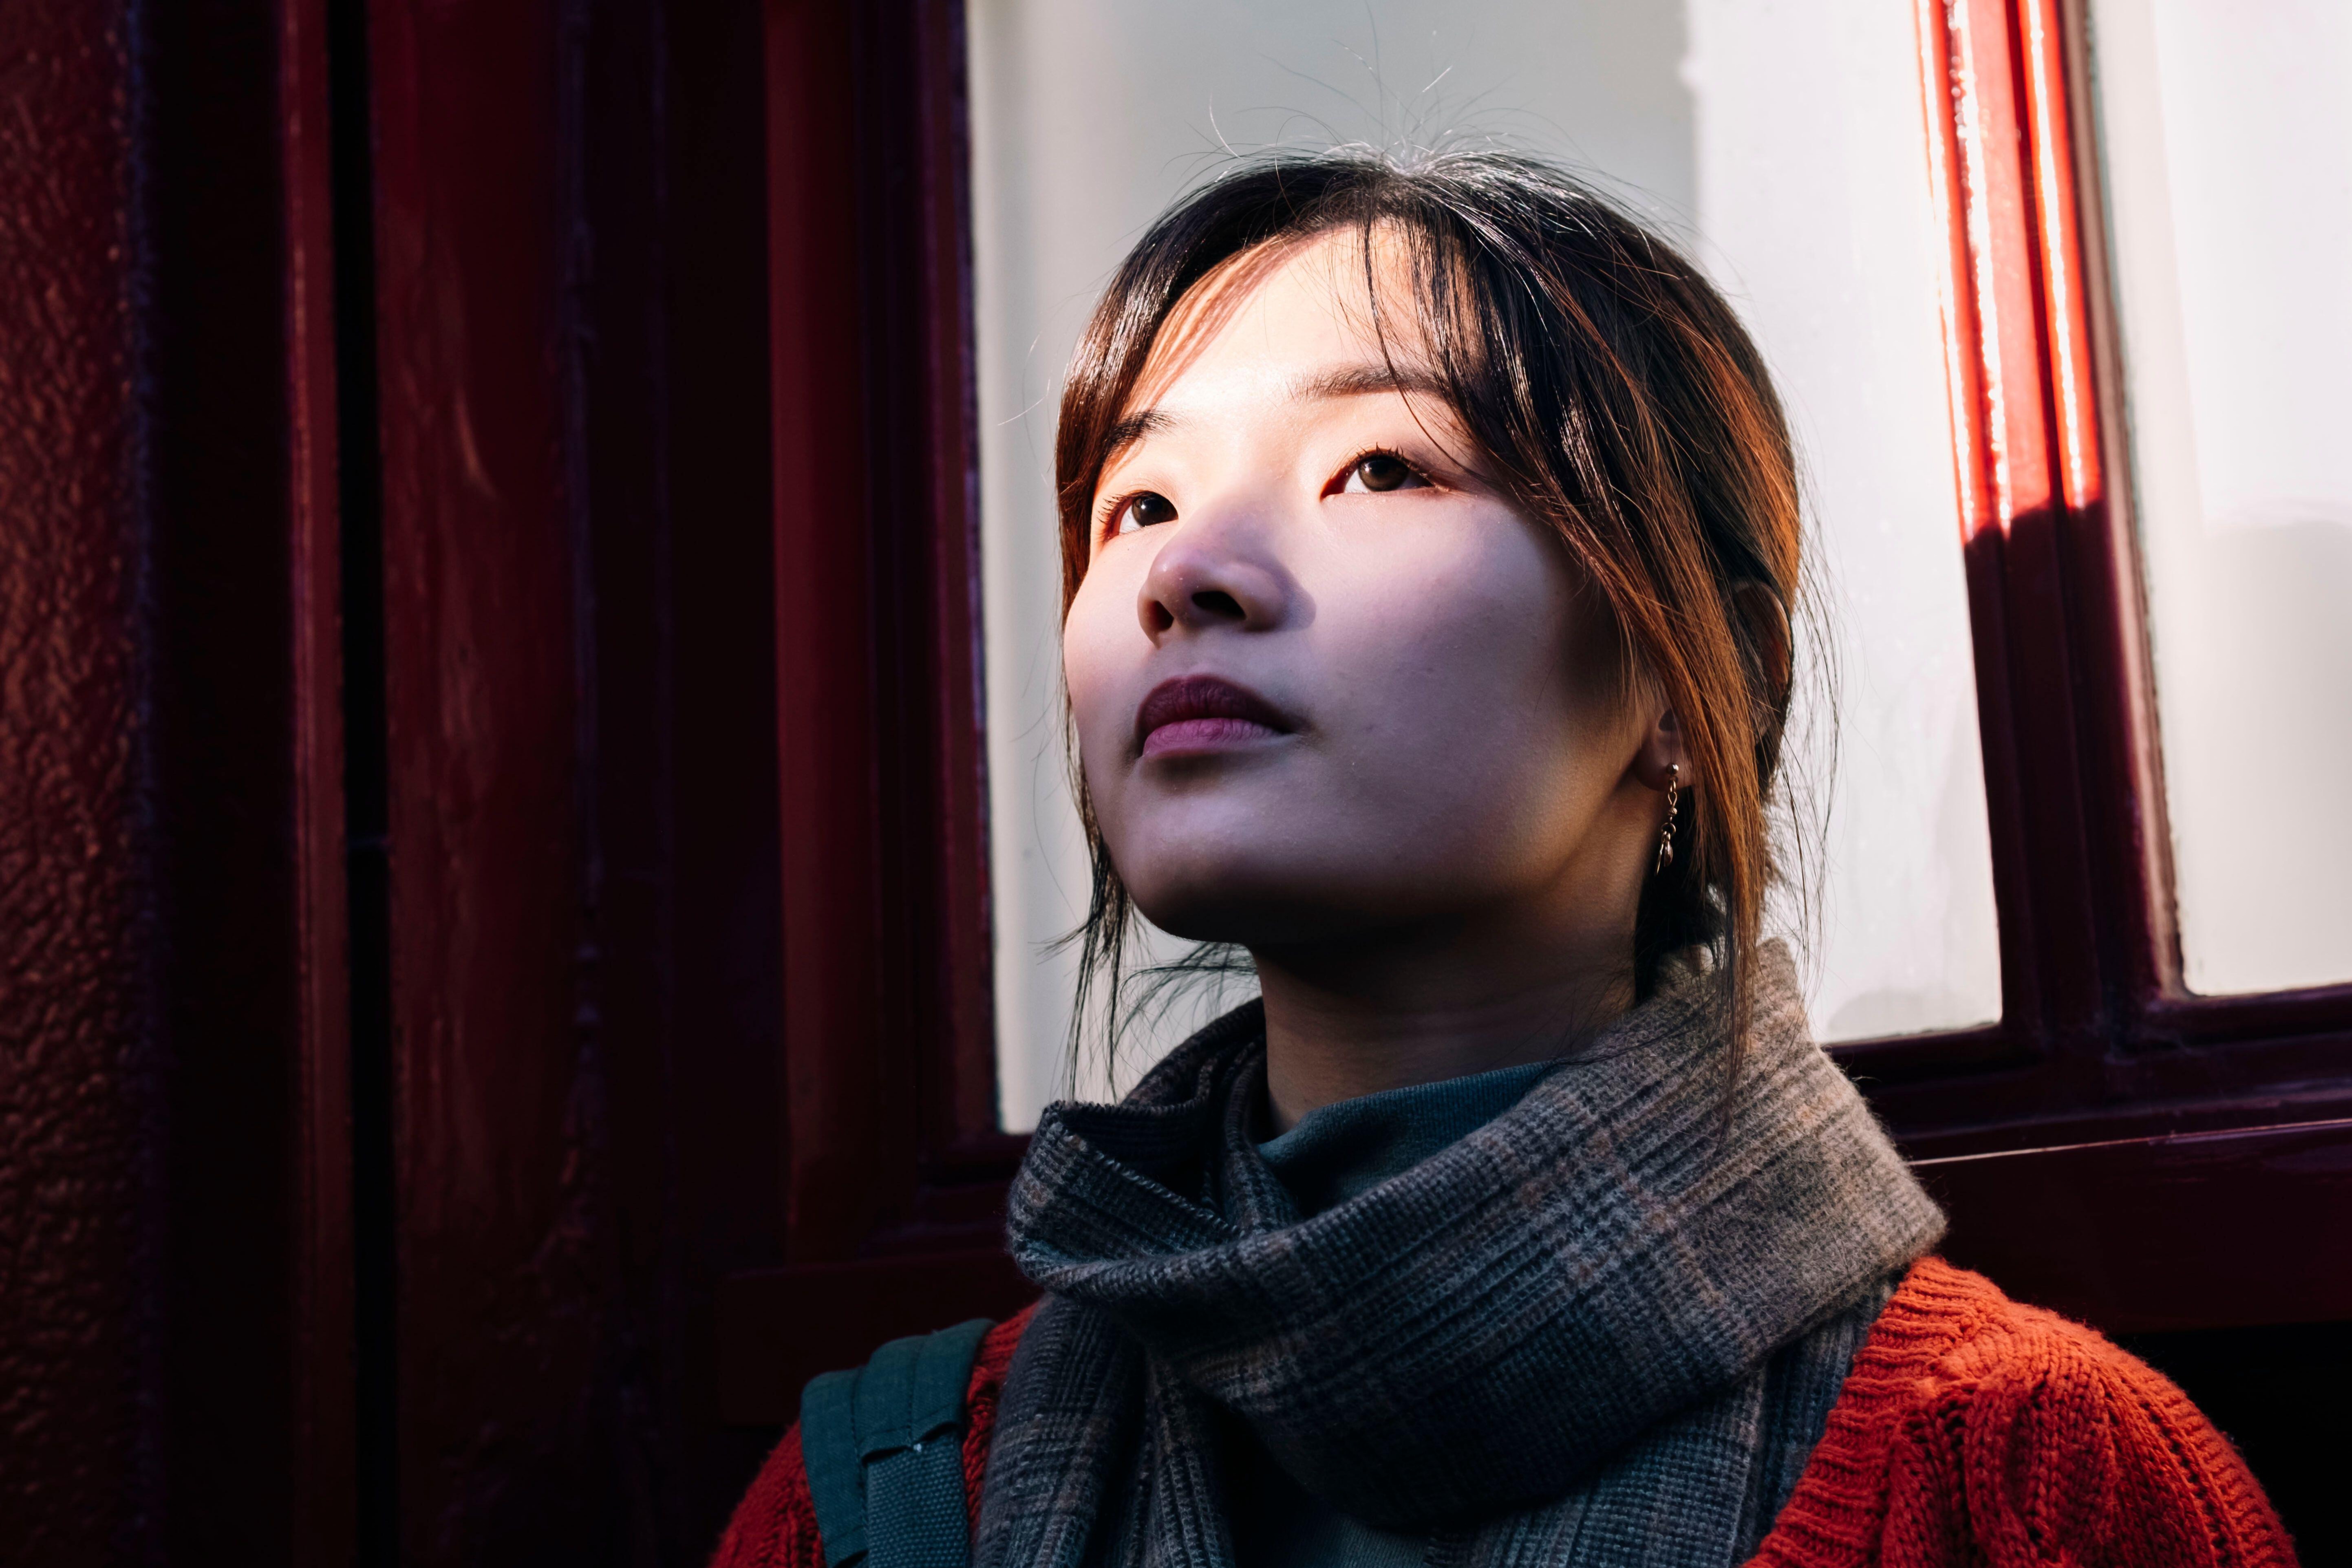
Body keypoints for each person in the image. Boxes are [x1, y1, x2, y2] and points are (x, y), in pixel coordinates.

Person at [714, 150, 2294, 1568]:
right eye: (1139, 500)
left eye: (1380, 469)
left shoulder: (2025, 1483)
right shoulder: (881, 1498)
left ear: (1698, 680)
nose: (1183, 572)